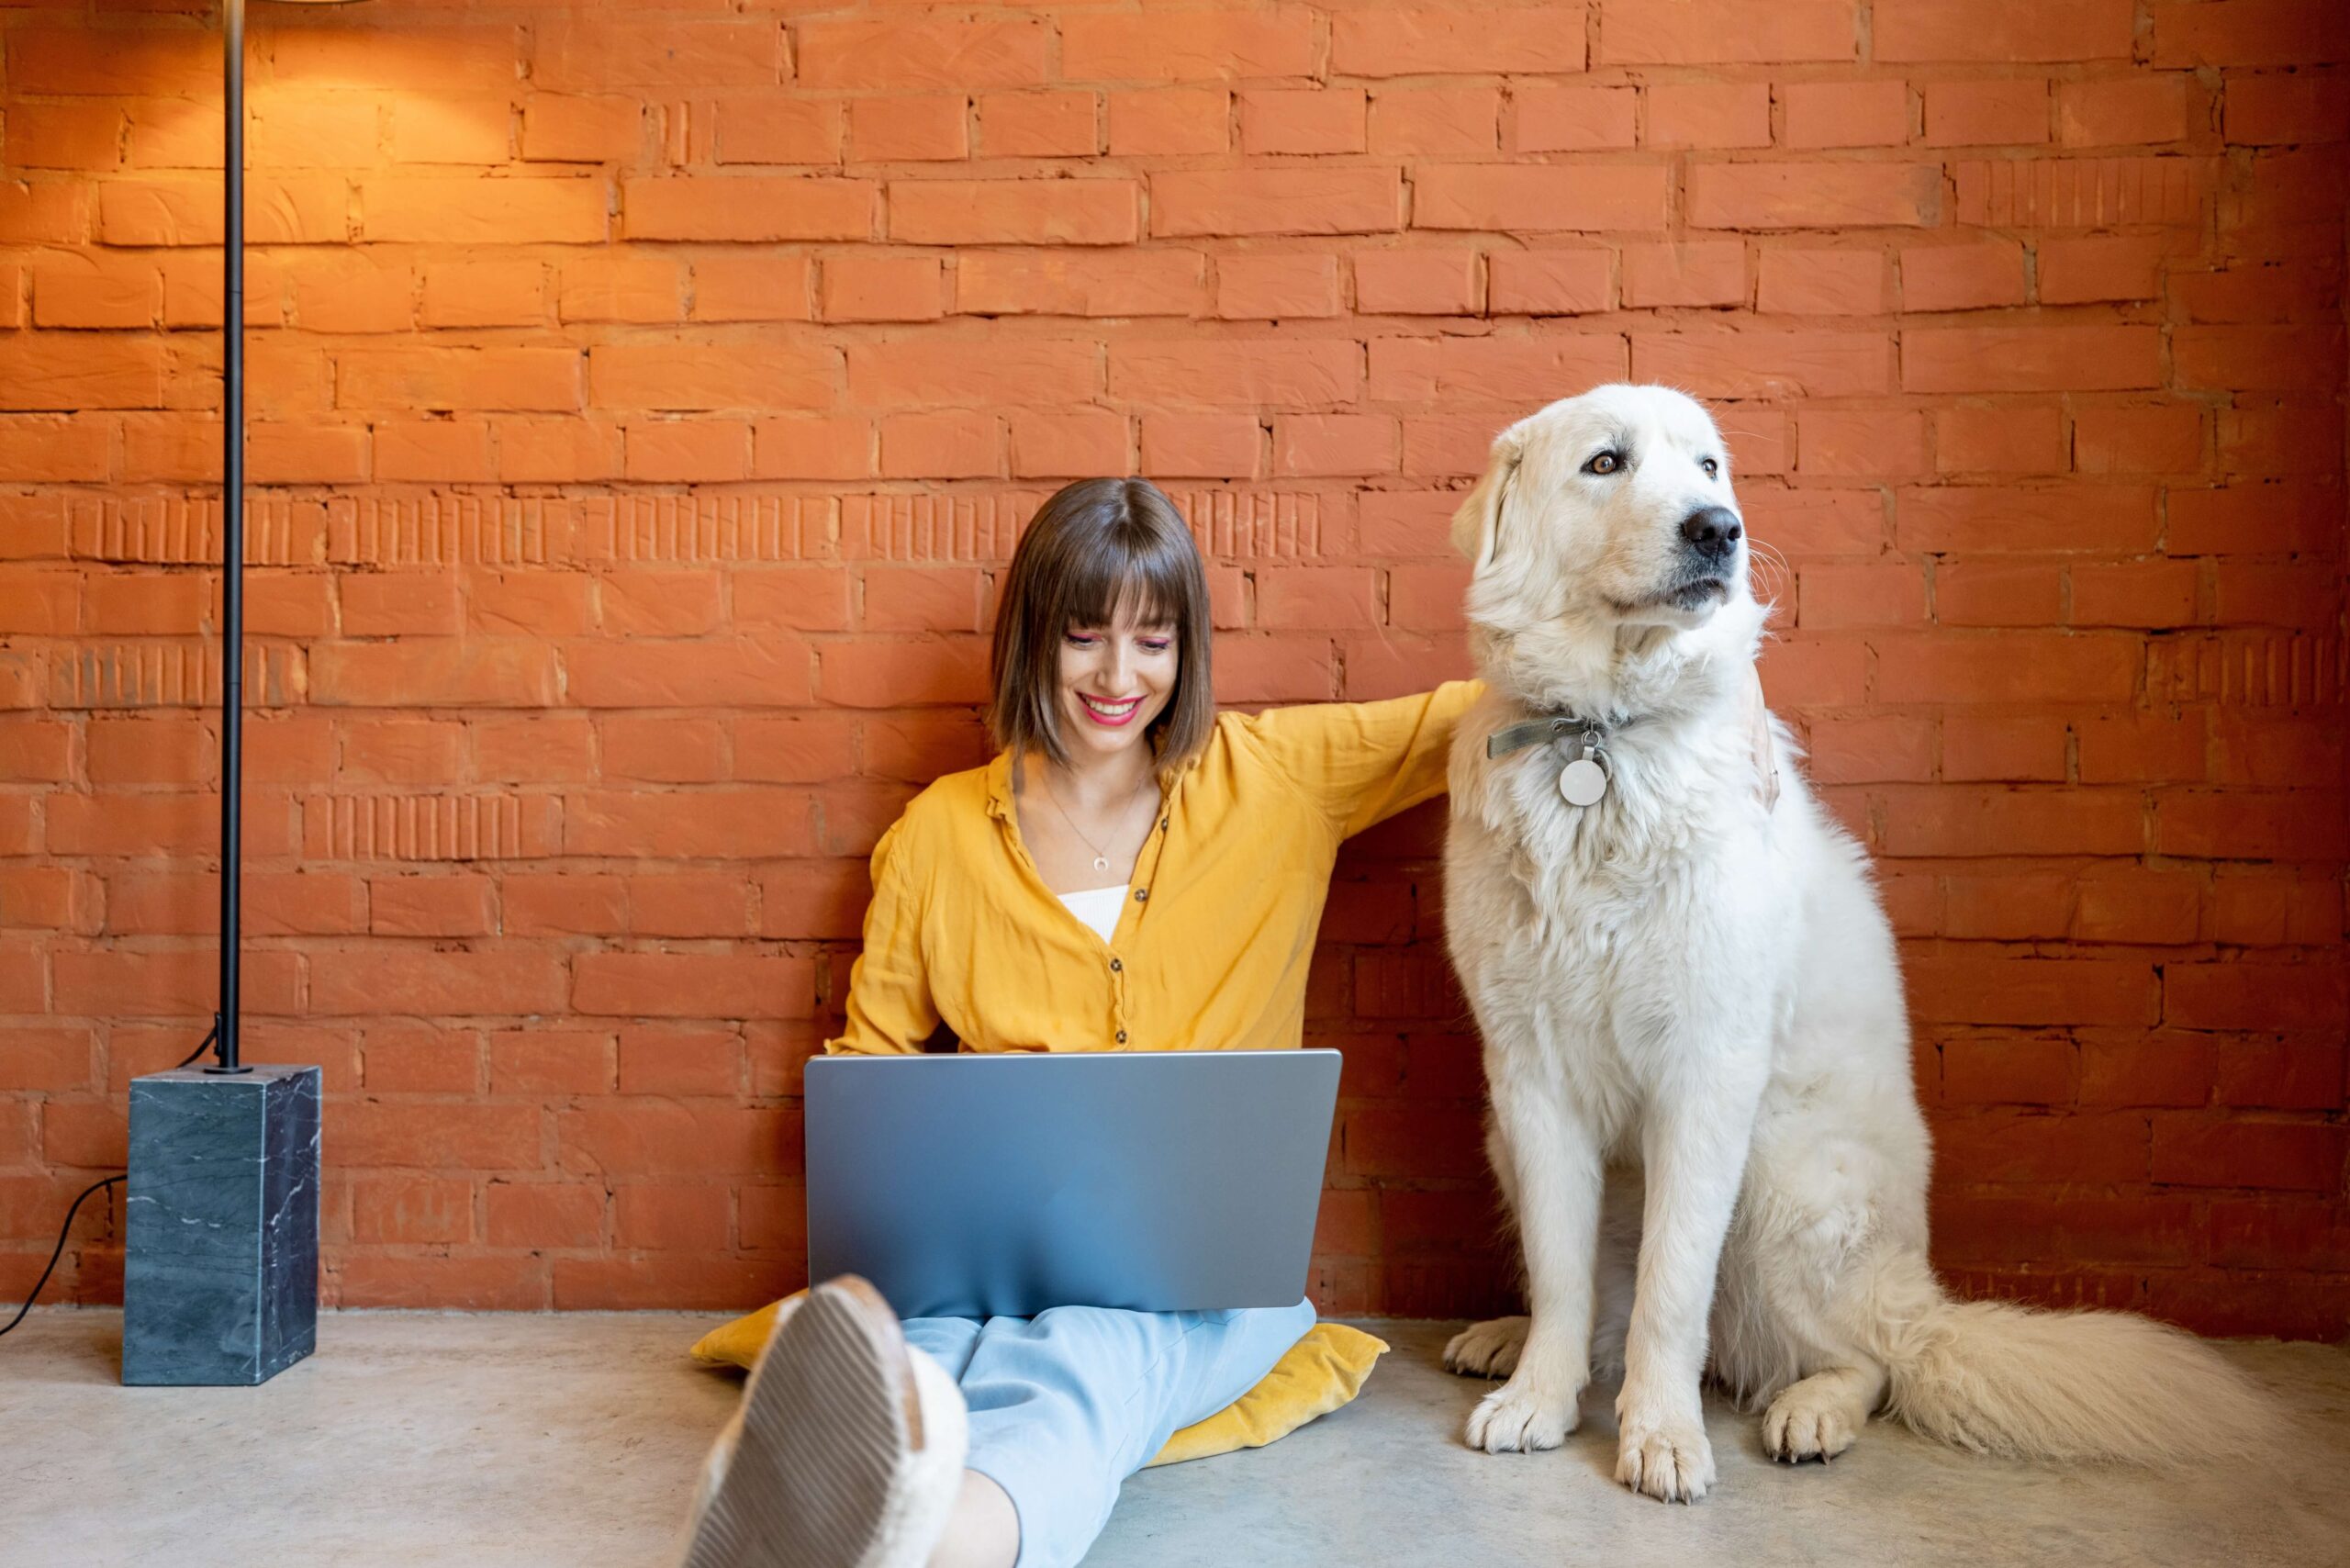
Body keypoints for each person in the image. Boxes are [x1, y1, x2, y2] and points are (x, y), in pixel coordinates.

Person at [677, 476, 1478, 1568]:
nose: (1118, 677)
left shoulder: (1279, 777)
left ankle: (937, 1540)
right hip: (986, 1274)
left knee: (1085, 1357)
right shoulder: (936, 838)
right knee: (924, 1357)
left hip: (1199, 1286)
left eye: (1153, 641)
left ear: (1187, 648)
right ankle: (837, 1499)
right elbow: (872, 1078)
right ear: (1030, 639)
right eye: (1084, 636)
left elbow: (1487, 711)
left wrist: (1707, 703)